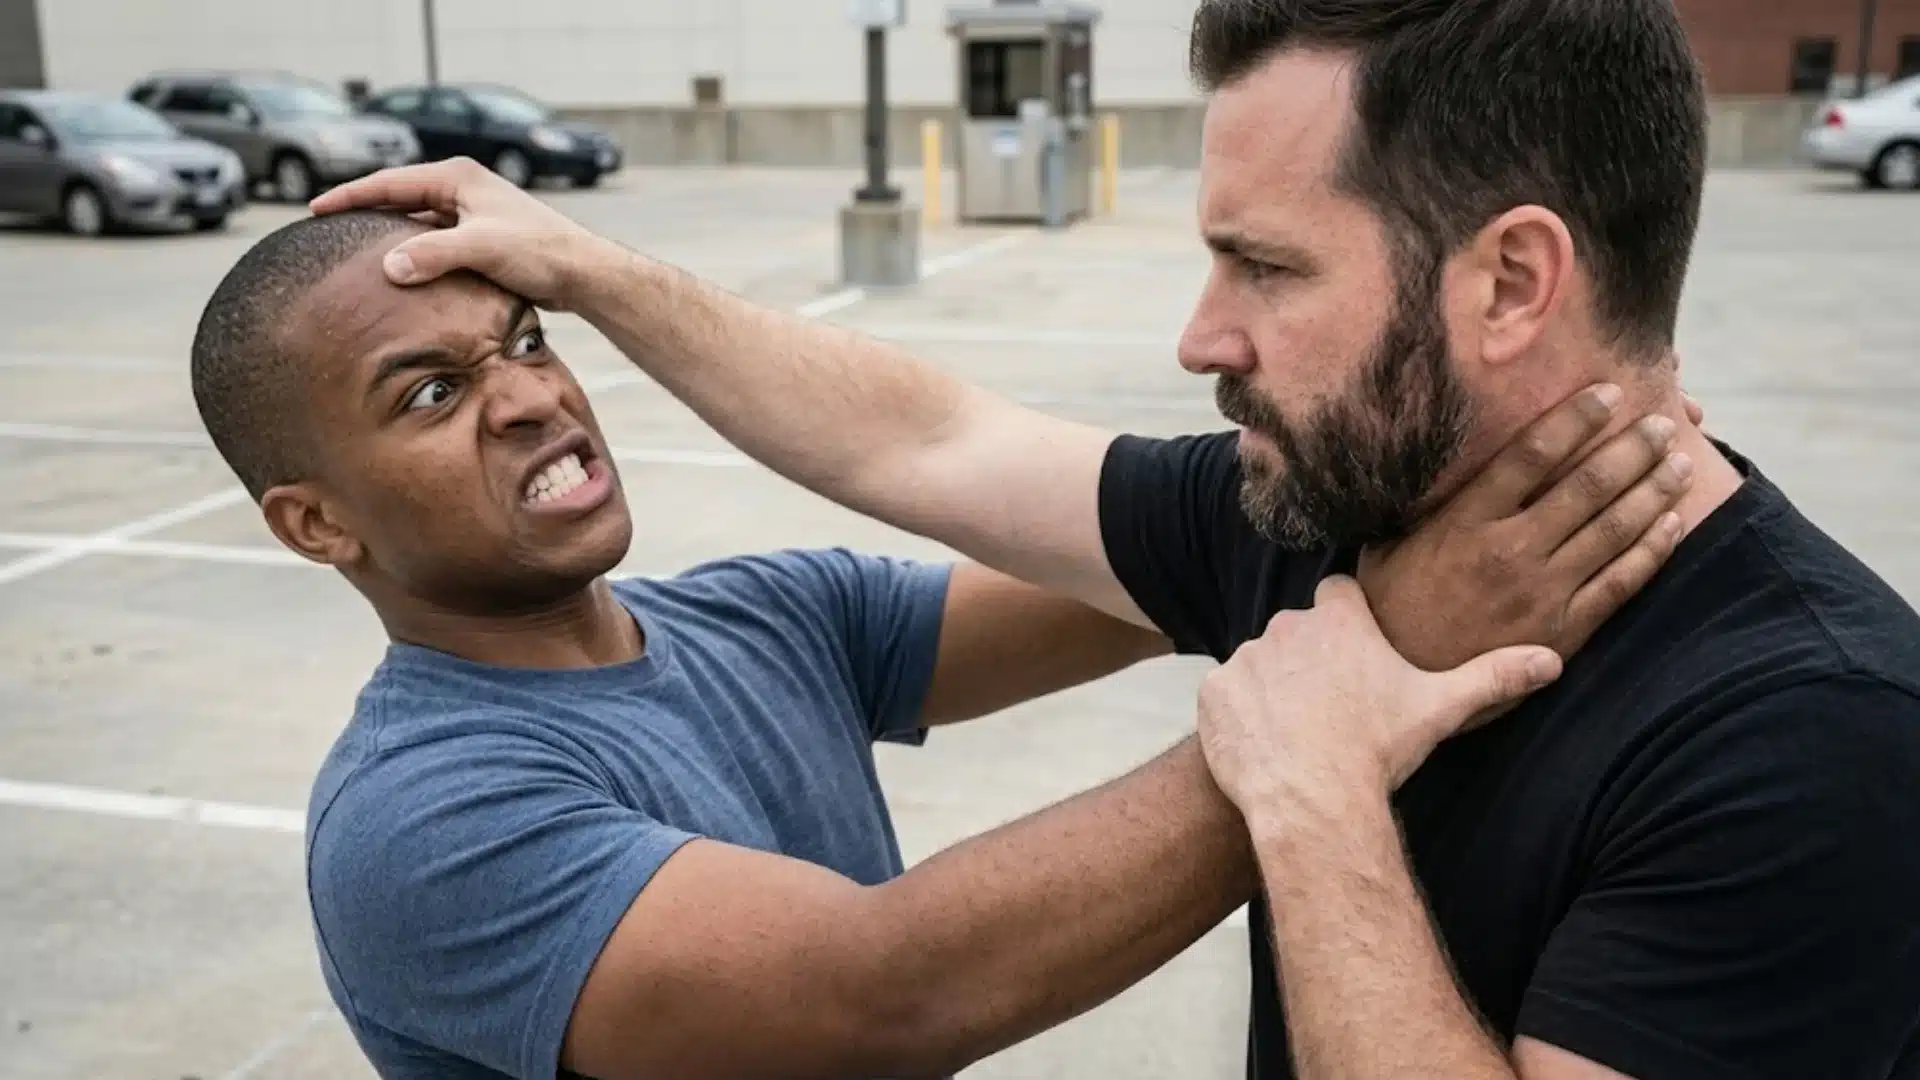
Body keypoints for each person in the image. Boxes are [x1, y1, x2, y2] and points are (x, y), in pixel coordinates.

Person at [313, 0, 1920, 1078]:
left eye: (1266, 268)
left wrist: (1314, 786)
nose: (1200, 337)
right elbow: (923, 438)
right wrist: (590, 272)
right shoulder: (1325, 511)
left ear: (1510, 283)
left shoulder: (1814, 732)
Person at [190, 206, 1689, 1080]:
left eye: (524, 342)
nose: (527, 397)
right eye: (430, 395)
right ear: (316, 525)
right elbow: (885, 992)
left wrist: (1389, 445)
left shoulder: (753, 617)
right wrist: (1342, 714)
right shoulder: (419, 820)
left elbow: (1148, 567)